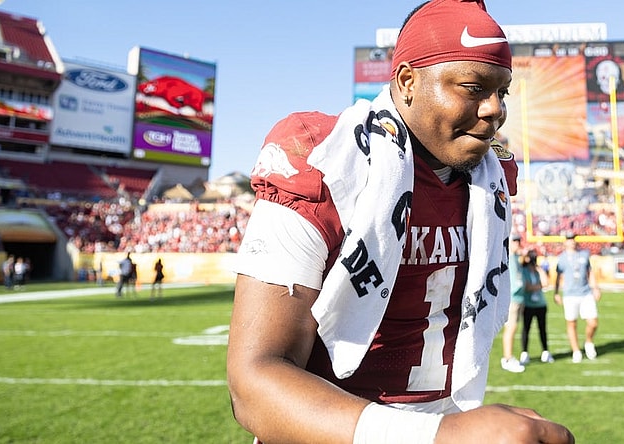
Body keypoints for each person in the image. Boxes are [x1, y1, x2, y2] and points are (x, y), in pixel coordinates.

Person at [226, 1, 574, 443]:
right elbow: (253, 383)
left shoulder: (492, 177)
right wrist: (437, 437)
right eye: (473, 87)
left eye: (502, 92)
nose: (494, 109)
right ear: (407, 81)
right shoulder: (323, 160)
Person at [553, 232, 601, 363]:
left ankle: (589, 342)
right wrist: (556, 293)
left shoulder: (584, 254)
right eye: (569, 239)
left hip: (585, 292)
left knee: (593, 322)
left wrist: (595, 288)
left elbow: (589, 272)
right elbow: (558, 277)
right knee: (571, 323)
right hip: (570, 294)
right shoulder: (562, 258)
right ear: (565, 242)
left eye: (573, 239)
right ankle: (576, 350)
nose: (571, 241)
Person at [520, 248, 554, 364]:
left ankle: (545, 352)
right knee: (526, 329)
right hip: (528, 304)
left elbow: (546, 283)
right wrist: (539, 286)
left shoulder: (538, 271)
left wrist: (539, 270)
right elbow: (527, 287)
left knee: (542, 329)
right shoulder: (523, 270)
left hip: (540, 304)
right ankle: (524, 353)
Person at [500, 234, 526, 372]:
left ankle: (509, 356)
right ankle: (507, 357)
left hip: (518, 297)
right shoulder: (508, 257)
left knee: (514, 327)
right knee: (511, 327)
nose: (517, 244)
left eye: (518, 241)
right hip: (512, 297)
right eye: (514, 241)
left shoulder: (516, 257)